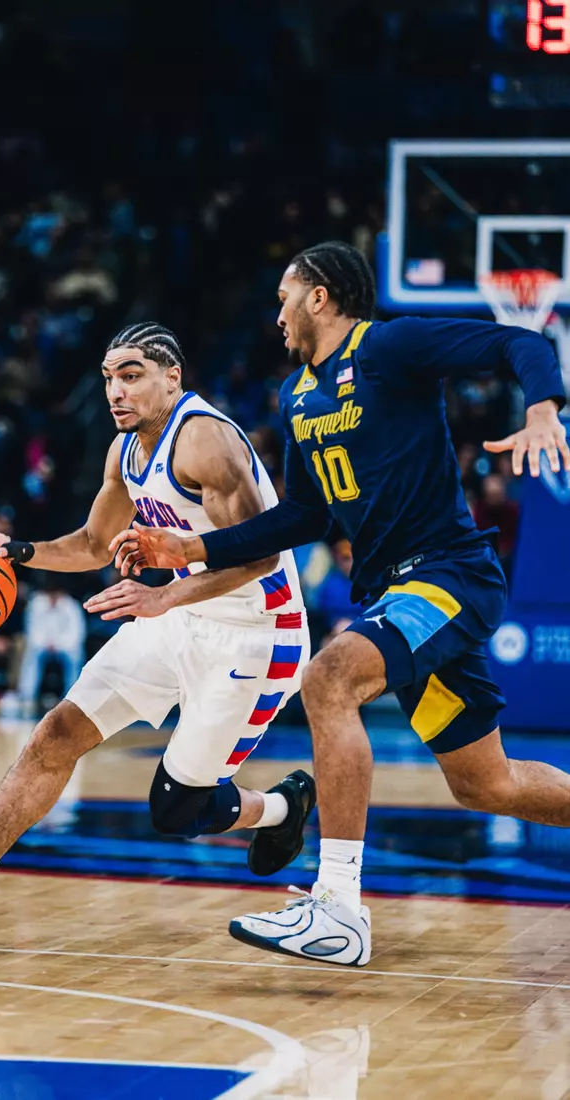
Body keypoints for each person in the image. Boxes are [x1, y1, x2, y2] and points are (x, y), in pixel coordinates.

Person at [109, 242, 570, 968]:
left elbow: (519, 339)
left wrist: (544, 408)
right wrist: (189, 550)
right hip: (398, 590)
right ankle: (336, 906)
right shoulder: (297, 397)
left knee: (329, 678)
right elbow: (303, 518)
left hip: (447, 575)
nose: (276, 313)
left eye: (284, 297)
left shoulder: (387, 346)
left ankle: (337, 908)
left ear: (319, 296)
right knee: (487, 783)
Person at [0, 322, 313, 944]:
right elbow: (93, 545)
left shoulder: (206, 441)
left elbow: (257, 559)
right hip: (176, 614)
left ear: (172, 377)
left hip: (255, 634)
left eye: (132, 376)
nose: (116, 393)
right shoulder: (125, 450)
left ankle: (286, 805)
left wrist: (161, 596)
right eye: (109, 379)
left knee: (177, 809)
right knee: (57, 732)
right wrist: (14, 550)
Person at [17, 578, 86, 716]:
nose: (53, 597)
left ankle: (72, 699)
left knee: (75, 657)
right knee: (31, 655)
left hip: (65, 646)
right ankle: (26, 697)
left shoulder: (71, 605)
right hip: (42, 645)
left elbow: (77, 633)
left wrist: (58, 644)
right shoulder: (36, 603)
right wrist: (46, 643)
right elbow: (31, 630)